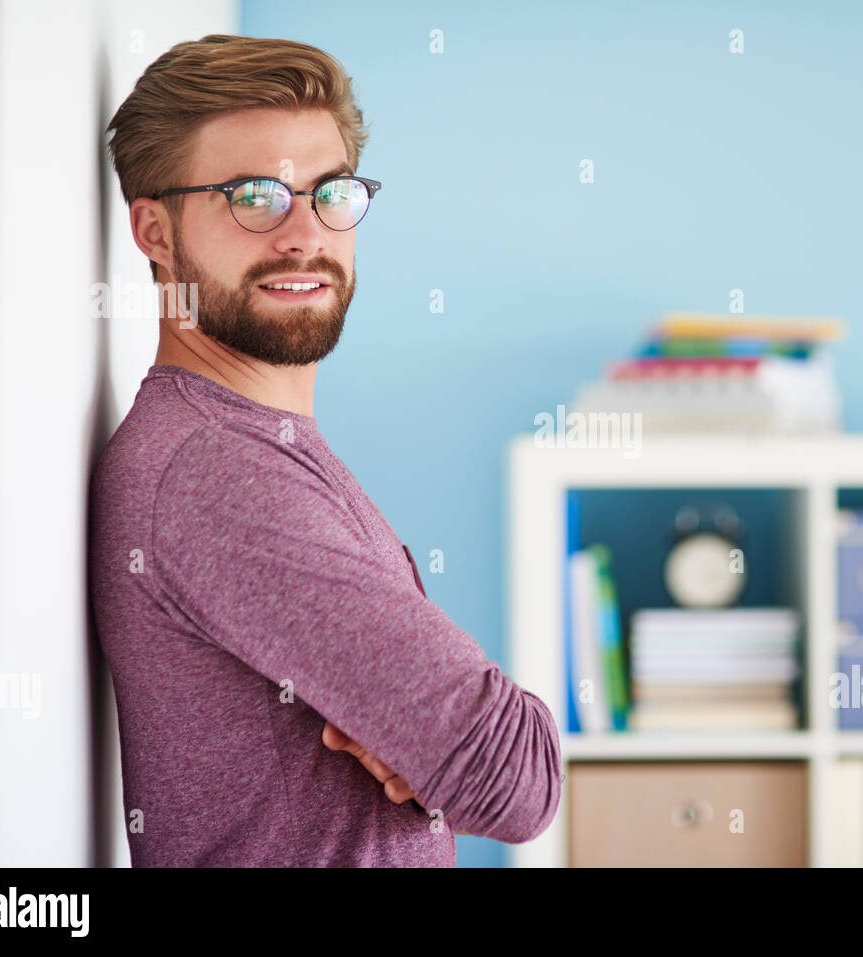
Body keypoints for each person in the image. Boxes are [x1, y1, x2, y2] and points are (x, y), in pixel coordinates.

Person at [89, 34, 561, 866]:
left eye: (329, 192)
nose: (304, 234)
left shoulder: (257, 444)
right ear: (155, 233)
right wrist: (438, 741)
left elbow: (481, 761)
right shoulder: (218, 471)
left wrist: (427, 737)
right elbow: (514, 777)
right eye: (255, 196)